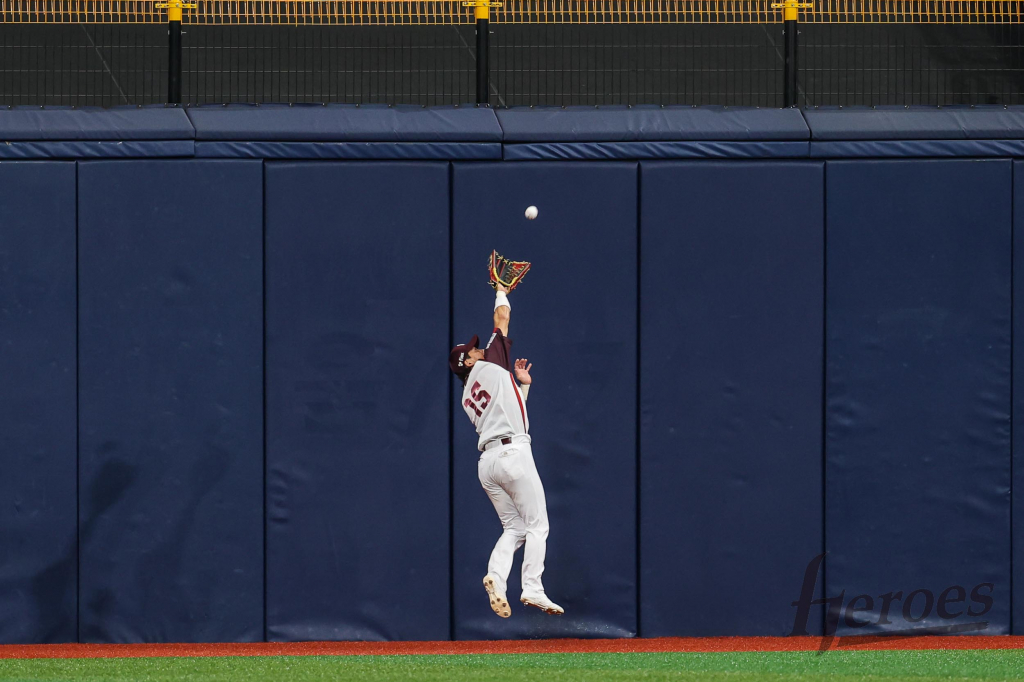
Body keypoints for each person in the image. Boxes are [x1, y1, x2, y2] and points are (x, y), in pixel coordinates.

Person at [449, 283, 563, 618]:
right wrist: (501, 291)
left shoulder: (467, 395)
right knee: (537, 525)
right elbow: (502, 318)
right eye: (473, 350)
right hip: (513, 456)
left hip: (488, 464)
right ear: (467, 362)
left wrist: (522, 387)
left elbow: (508, 413)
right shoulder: (489, 366)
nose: (478, 349)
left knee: (514, 528)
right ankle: (532, 588)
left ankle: (496, 579)